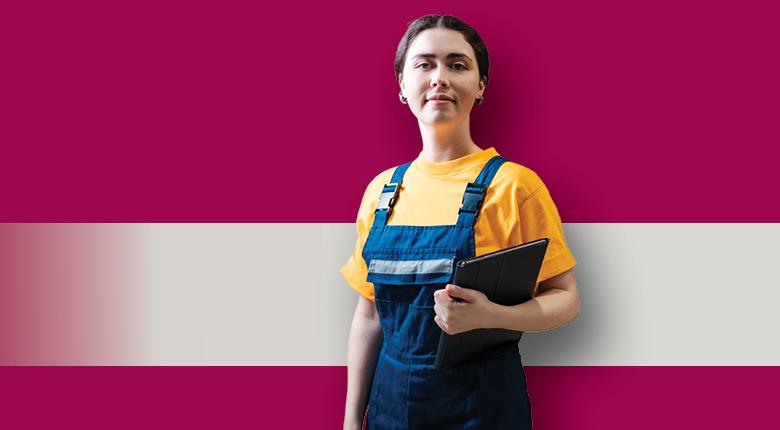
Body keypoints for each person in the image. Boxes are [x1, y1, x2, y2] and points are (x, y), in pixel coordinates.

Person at [340, 14, 580, 430]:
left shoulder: (514, 186)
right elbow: (369, 317)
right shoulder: (381, 193)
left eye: (457, 64)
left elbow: (566, 300)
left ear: (481, 85)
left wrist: (490, 315)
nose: (439, 78)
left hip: (483, 412)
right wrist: (348, 421)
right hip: (391, 411)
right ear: (401, 85)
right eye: (424, 64)